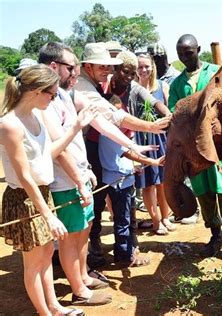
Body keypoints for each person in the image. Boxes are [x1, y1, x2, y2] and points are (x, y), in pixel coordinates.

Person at [0, 64, 96, 315]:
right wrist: (48, 215)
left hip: (42, 194)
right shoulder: (10, 125)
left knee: (45, 256)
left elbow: (47, 156)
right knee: (34, 262)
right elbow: (24, 176)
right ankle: (45, 313)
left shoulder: (37, 116)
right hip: (25, 199)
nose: (53, 99)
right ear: (36, 91)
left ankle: (54, 307)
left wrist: (75, 127)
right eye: (51, 94)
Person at [75, 42, 171, 265]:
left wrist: (166, 116)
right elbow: (112, 118)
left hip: (115, 155)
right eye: (107, 67)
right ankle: (99, 252)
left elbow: (153, 101)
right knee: (99, 205)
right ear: (89, 67)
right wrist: (151, 129)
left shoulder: (127, 87)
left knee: (122, 211)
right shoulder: (89, 88)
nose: (127, 76)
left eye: (132, 72)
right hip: (98, 153)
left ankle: (123, 250)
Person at [38, 42, 112, 306]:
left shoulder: (62, 95)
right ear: (53, 67)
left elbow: (77, 144)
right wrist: (79, 180)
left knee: (84, 230)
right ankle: (79, 290)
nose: (76, 73)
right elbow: (60, 150)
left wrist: (86, 170)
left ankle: (83, 276)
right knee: (71, 236)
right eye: (72, 68)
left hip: (79, 177)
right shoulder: (43, 101)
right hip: (64, 183)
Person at [169, 34, 222, 269]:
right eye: (181, 54)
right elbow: (176, 115)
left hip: (220, 147)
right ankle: (215, 235)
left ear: (198, 50)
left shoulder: (216, 72)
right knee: (204, 194)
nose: (185, 58)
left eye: (189, 53)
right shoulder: (177, 84)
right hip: (195, 151)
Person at [98, 123, 166, 267]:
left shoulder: (114, 134)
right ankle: (125, 256)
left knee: (127, 220)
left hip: (123, 180)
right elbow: (127, 153)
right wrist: (152, 161)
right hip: (119, 184)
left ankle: (125, 251)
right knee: (123, 220)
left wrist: (133, 167)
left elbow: (121, 157)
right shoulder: (110, 135)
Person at [135, 52, 176, 234]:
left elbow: (167, 111)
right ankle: (156, 221)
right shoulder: (132, 89)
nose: (143, 70)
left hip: (161, 138)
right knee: (148, 183)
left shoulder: (162, 86)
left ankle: (166, 217)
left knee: (163, 181)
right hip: (140, 139)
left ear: (153, 66)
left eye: (146, 66)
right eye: (140, 66)